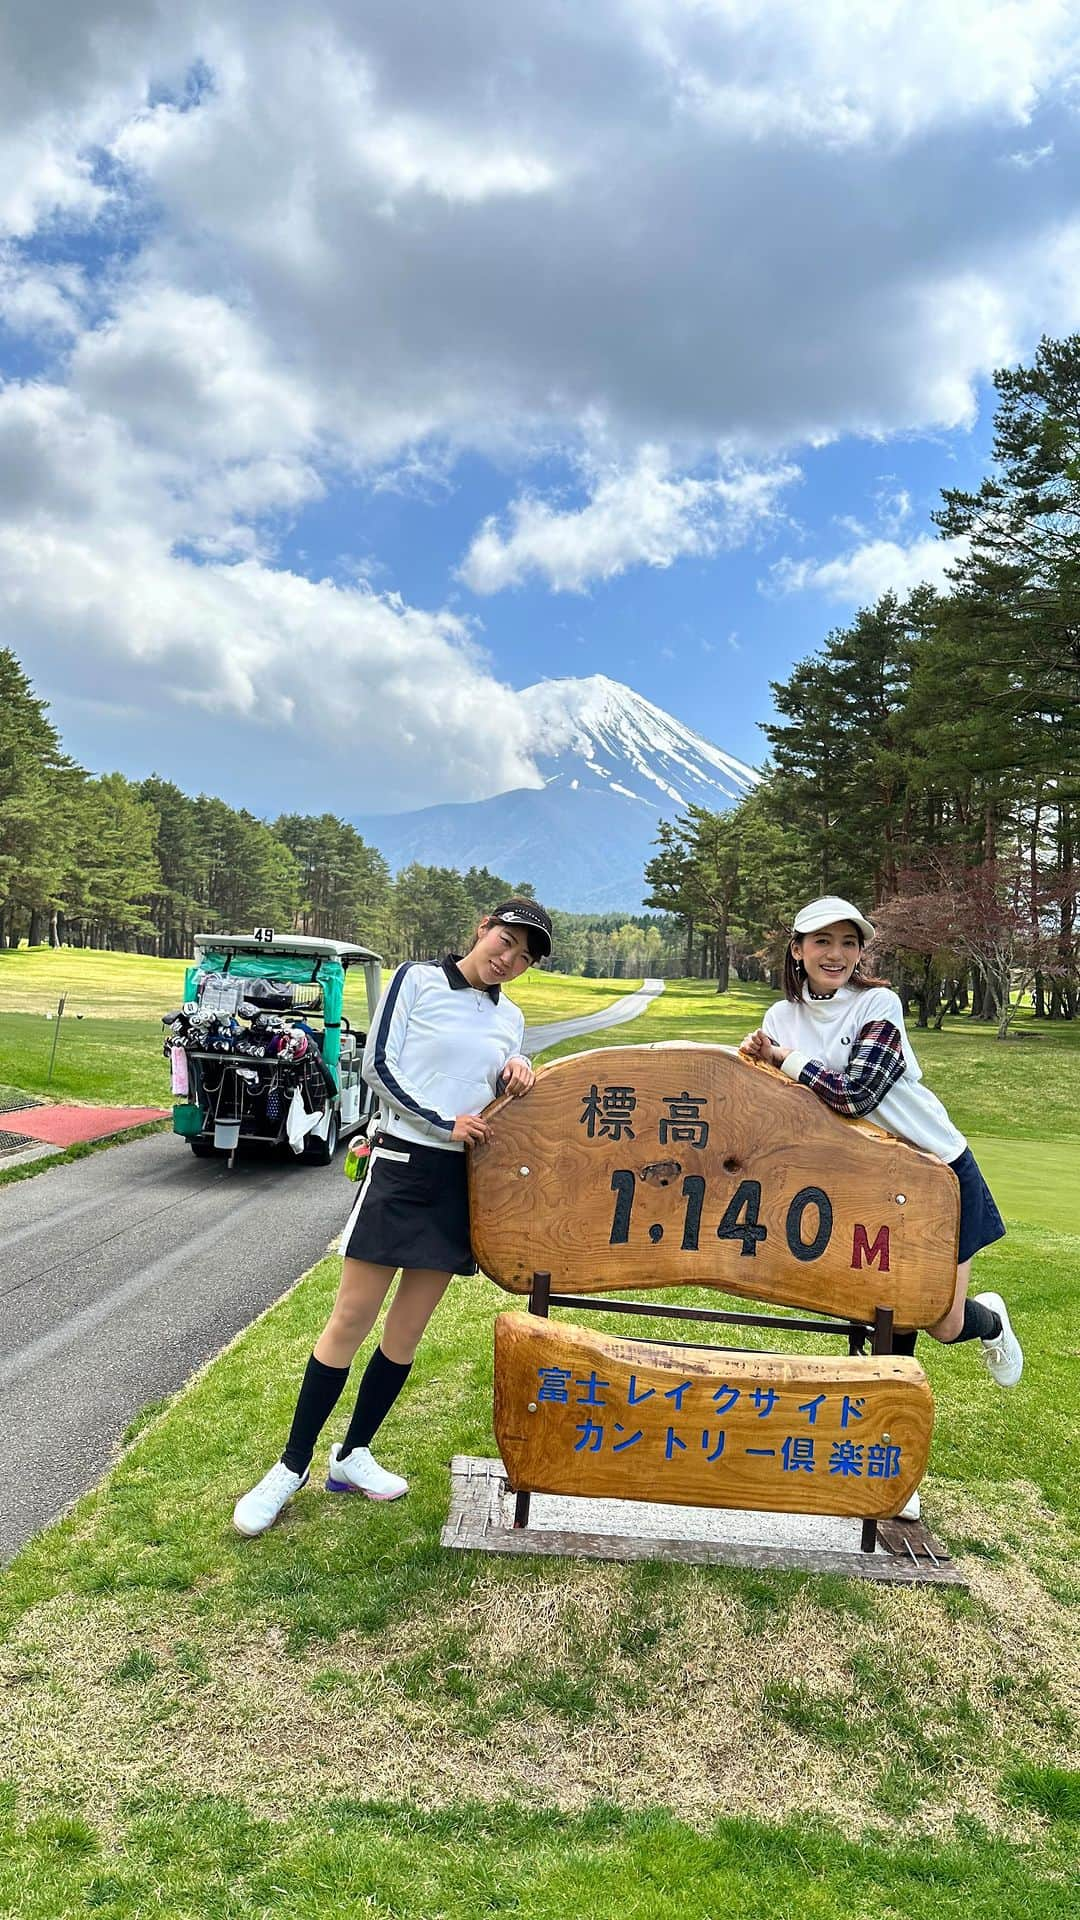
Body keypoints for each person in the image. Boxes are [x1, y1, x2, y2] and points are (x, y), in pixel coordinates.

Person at [233, 898, 554, 1536]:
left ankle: (351, 1456)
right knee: (349, 1320)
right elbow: (378, 1068)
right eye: (506, 941)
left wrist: (514, 1072)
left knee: (405, 1335)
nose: (509, 959)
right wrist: (442, 1122)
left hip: (461, 1182)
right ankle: (290, 1466)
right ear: (481, 928)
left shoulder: (510, 1017)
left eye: (524, 956)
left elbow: (489, 1090)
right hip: (403, 1165)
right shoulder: (417, 979)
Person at [740, 895, 1023, 1521]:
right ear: (797, 949)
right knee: (882, 1317)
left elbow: (856, 1093)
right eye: (821, 942)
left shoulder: (880, 1006)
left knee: (943, 1323)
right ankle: (885, 1468)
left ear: (860, 952)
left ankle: (992, 1324)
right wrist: (753, 1067)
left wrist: (784, 1061)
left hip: (934, 1171)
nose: (835, 954)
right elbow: (787, 1111)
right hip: (859, 1181)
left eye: (848, 943)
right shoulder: (779, 1016)